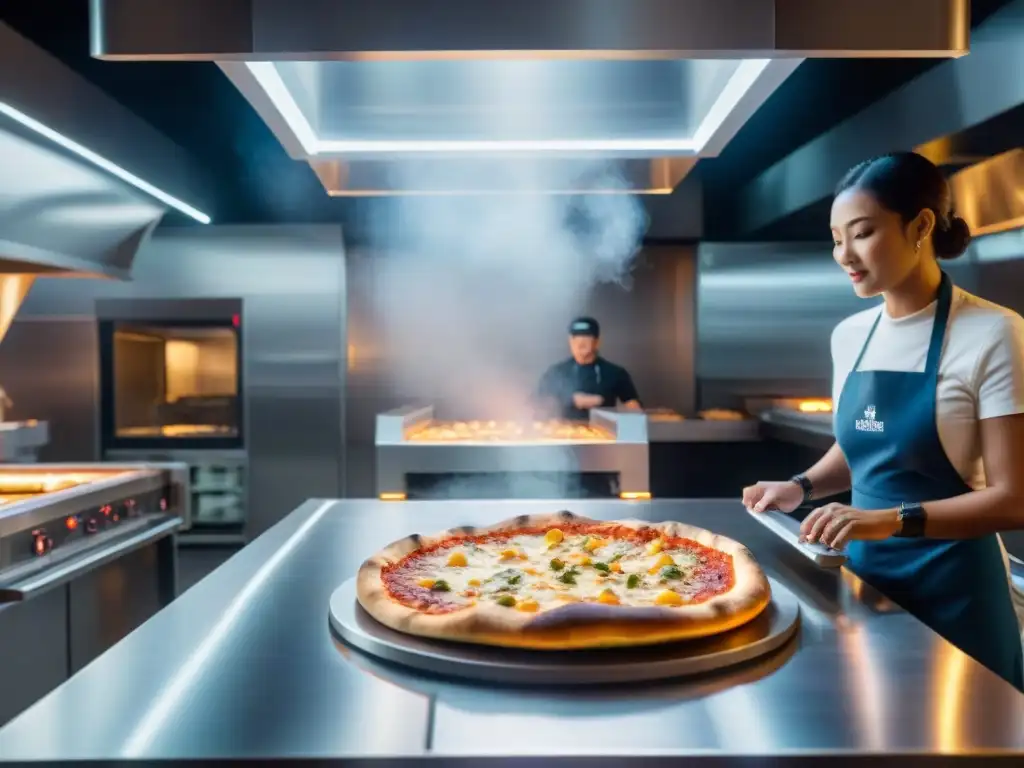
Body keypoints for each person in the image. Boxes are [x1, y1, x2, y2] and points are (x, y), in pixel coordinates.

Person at [743, 151, 1024, 691]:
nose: (843, 254)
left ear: (920, 225)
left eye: (862, 232)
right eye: (835, 238)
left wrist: (889, 519)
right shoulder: (848, 336)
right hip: (863, 583)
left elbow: (1015, 499)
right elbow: (862, 447)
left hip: (956, 590)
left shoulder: (993, 333)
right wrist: (799, 486)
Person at [534, 317, 641, 420]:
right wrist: (571, 399)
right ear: (570, 341)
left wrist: (602, 403)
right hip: (564, 434)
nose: (580, 343)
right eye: (575, 338)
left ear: (597, 342)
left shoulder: (615, 373)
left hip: (603, 434)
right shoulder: (555, 372)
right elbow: (536, 404)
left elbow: (634, 409)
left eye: (586, 337)